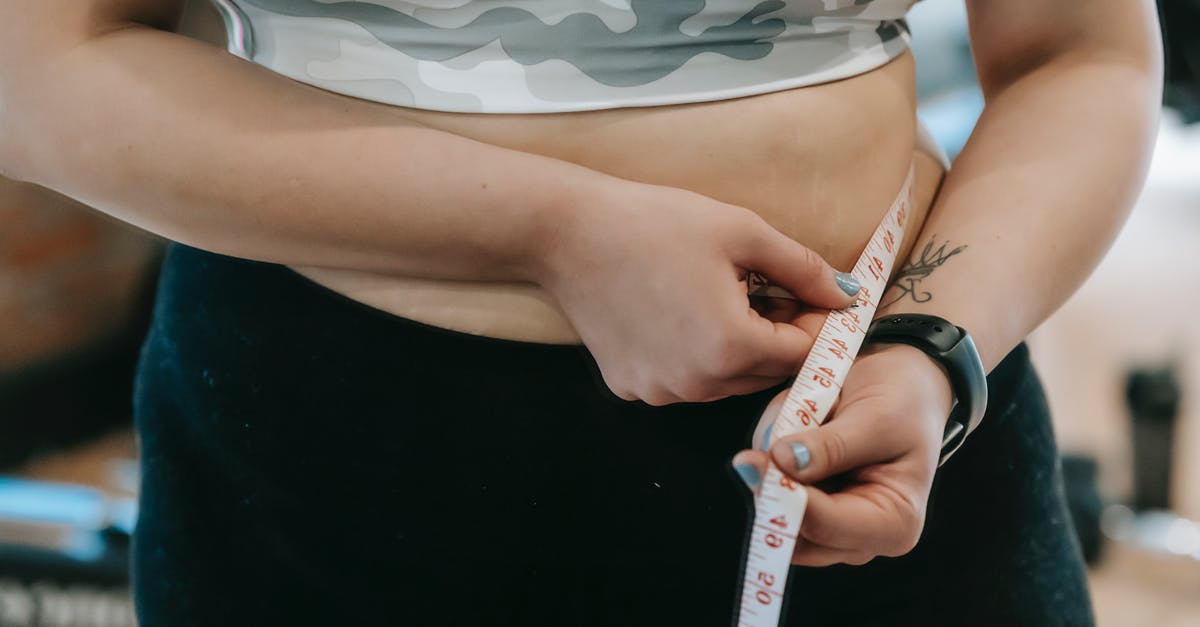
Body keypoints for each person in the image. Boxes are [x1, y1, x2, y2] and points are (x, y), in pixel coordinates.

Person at [0, 1, 1161, 625]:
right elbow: (42, 67)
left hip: (884, 433)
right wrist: (549, 232)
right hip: (335, 463)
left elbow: (1083, 53)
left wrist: (931, 347)